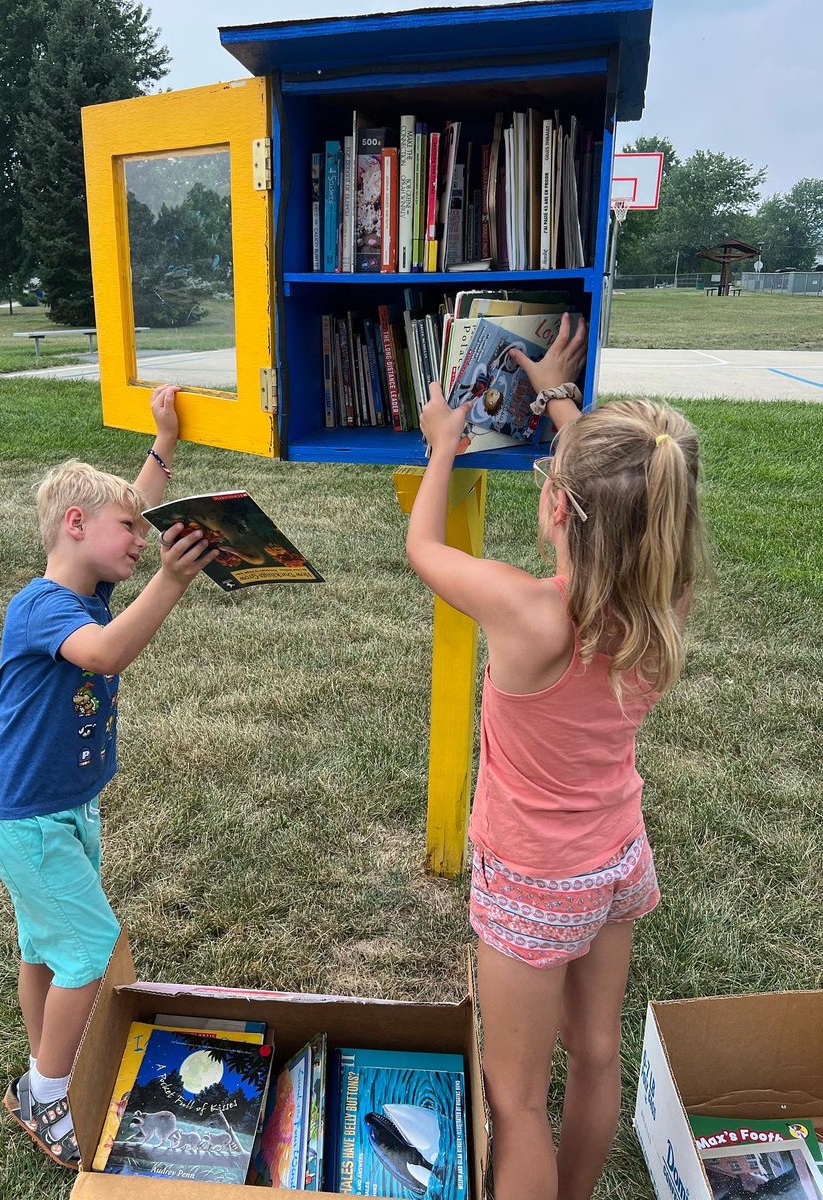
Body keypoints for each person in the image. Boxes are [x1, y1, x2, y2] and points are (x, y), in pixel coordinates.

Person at [406, 314, 706, 1200]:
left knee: (517, 1096)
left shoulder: (528, 614)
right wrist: (561, 399)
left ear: (555, 510)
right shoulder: (667, 601)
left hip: (533, 879)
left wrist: (441, 447)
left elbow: (425, 548)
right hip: (615, 860)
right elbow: (626, 498)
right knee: (599, 1055)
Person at [0, 384, 217, 1169]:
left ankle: (47, 1067)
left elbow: (133, 503)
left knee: (47, 950)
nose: (141, 541)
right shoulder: (44, 607)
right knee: (91, 946)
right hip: (31, 819)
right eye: (128, 533)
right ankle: (45, 1096)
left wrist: (165, 442)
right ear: (73, 527)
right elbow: (107, 655)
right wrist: (174, 582)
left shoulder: (92, 581)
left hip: (63, 810)